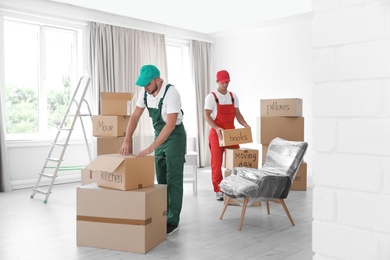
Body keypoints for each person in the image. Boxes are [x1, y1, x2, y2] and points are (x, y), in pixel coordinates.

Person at [119, 64, 186, 235]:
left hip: (175, 137)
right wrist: (127, 139)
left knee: (174, 179)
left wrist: (150, 147)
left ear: (158, 79)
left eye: (148, 84)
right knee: (162, 177)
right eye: (143, 85)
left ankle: (172, 220)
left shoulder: (171, 93)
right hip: (160, 136)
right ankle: (163, 213)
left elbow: (170, 125)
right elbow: (135, 116)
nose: (145, 88)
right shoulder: (145, 93)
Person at [204, 70, 249, 201]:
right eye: (223, 82)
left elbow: (238, 114)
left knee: (236, 160)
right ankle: (218, 189)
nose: (225, 85)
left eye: (227, 82)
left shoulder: (233, 96)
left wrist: (245, 124)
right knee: (216, 163)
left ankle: (235, 187)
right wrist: (216, 128)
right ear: (217, 81)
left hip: (231, 133)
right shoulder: (211, 97)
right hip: (216, 133)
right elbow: (206, 115)